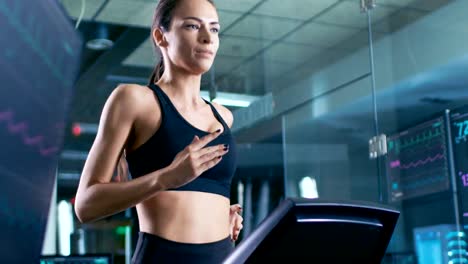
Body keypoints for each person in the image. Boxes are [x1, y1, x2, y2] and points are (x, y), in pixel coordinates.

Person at [74, 0, 243, 262]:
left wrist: (222, 215)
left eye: (215, 29)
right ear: (160, 36)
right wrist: (167, 177)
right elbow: (86, 205)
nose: (207, 38)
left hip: (224, 256)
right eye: (192, 26)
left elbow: (202, 194)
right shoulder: (134, 100)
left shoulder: (224, 116)